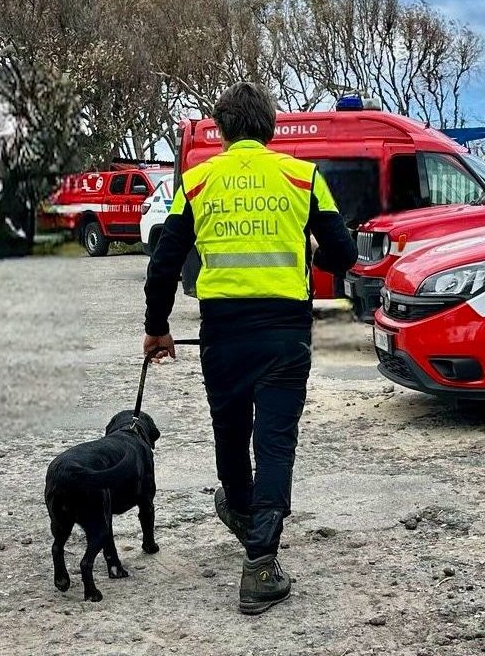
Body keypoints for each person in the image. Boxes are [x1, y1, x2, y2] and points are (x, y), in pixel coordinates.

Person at [142, 82, 358, 615]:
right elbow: (344, 255)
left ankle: (242, 511)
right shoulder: (301, 177)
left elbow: (164, 262)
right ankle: (260, 562)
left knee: (232, 433)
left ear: (221, 129)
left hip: (223, 334)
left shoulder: (195, 182)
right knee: (277, 443)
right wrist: (311, 252)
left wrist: (158, 327)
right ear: (270, 127)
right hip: (286, 333)